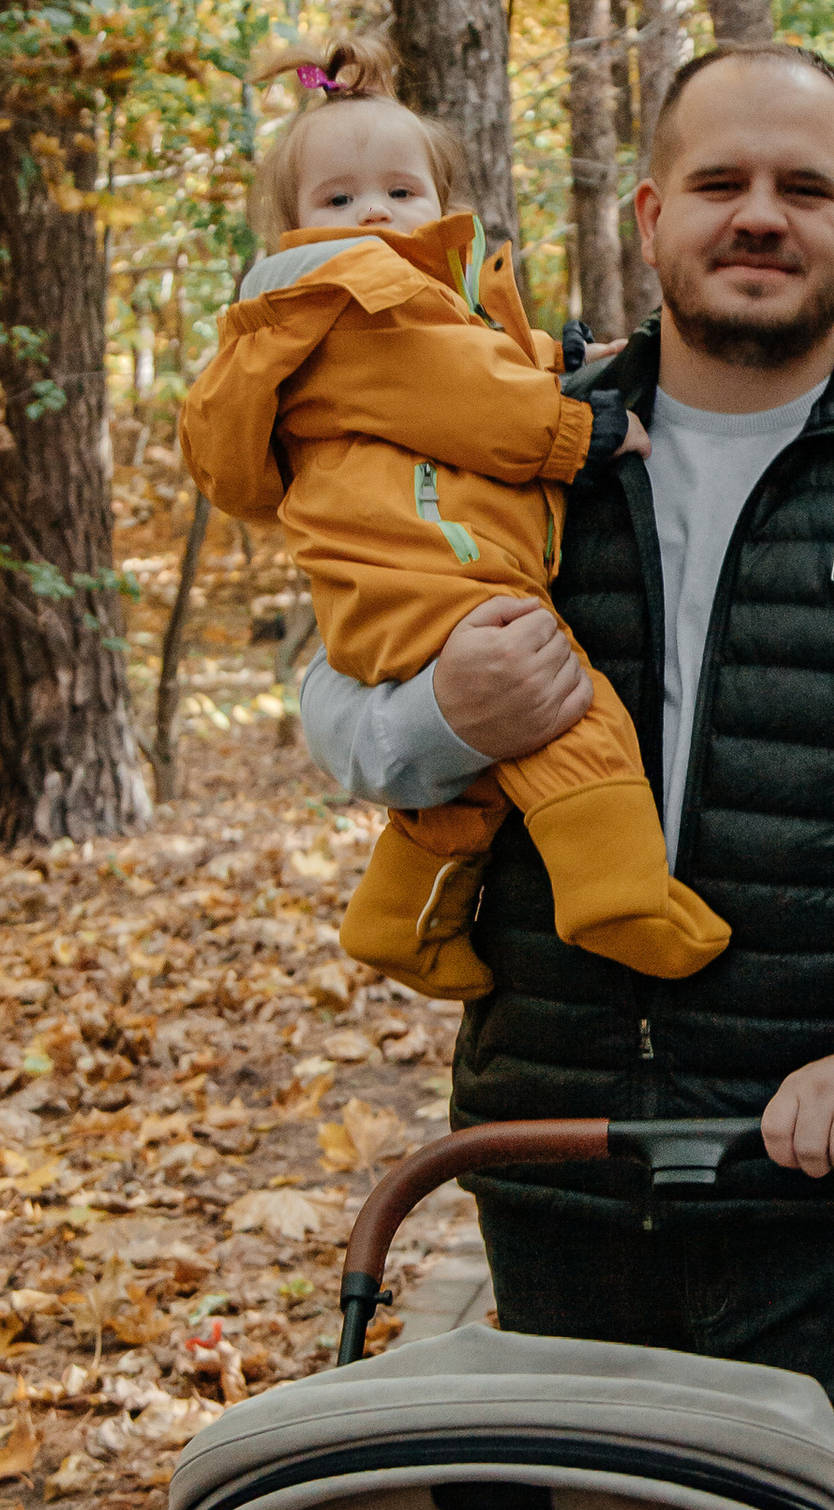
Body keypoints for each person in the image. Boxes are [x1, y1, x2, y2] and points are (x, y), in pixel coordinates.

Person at [301, 39, 834, 1510]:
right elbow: (336, 707)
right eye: (721, 183)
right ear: (652, 216)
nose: (760, 215)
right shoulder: (513, 443)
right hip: (561, 1162)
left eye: (805, 187)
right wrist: (442, 721)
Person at [181, 50, 727, 998]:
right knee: (566, 713)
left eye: (401, 190)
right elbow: (463, 398)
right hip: (430, 568)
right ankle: (617, 893)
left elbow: (469, 366)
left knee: (475, 774)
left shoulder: (387, 311)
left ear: (443, 202)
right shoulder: (349, 303)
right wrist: (577, 427)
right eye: (339, 200)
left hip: (398, 578)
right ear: (289, 229)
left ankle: (400, 919)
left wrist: (547, 353)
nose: (376, 216)